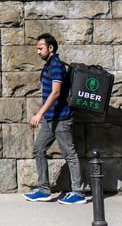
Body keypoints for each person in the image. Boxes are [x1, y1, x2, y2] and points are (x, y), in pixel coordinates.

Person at [23, 33, 86, 205]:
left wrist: (39, 114)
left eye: (40, 48)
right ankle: (44, 190)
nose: (38, 52)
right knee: (38, 148)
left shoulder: (56, 65)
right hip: (51, 120)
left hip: (61, 119)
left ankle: (78, 193)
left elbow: (56, 92)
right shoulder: (49, 65)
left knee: (69, 154)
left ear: (51, 48)